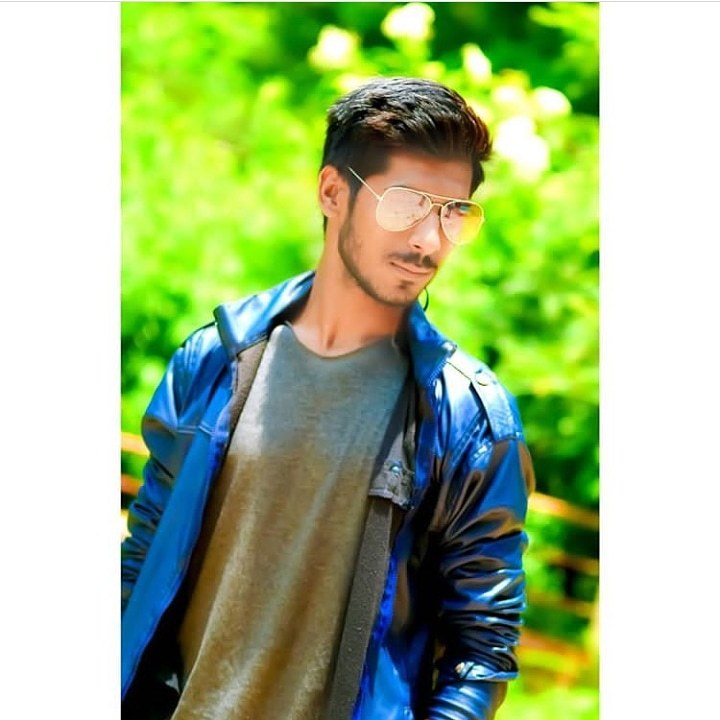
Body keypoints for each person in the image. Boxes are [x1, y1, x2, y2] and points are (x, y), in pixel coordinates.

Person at [121, 76, 535, 720]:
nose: (430, 240)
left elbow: (481, 649)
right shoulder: (215, 362)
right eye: (407, 204)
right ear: (333, 192)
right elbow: (142, 566)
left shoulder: (466, 417)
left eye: (452, 211)